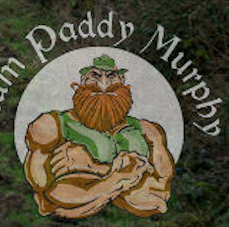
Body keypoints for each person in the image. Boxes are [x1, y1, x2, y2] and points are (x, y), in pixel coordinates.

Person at [23, 54, 174, 218]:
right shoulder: (50, 125)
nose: (103, 84)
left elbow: (160, 196)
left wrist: (94, 168)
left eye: (111, 76)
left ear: (122, 81)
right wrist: (129, 178)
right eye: (94, 76)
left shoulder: (149, 131)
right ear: (82, 81)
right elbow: (48, 195)